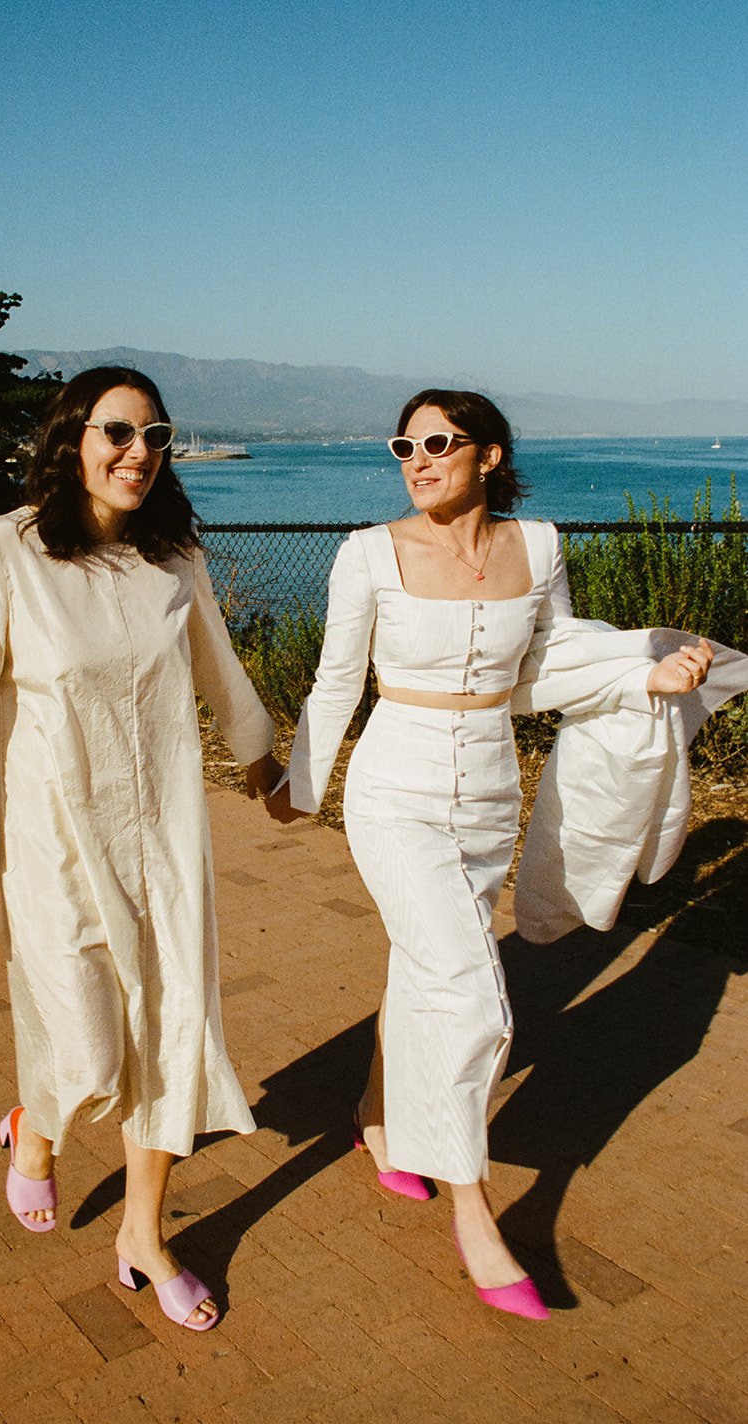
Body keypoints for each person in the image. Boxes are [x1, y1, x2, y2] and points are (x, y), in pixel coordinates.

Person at [266, 388, 715, 1320]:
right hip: (393, 790)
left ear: (490, 456)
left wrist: (641, 672)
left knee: (425, 964)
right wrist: (297, 788)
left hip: (488, 793)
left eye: (439, 442)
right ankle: (478, 1213)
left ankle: (375, 1117)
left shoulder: (539, 547)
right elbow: (336, 679)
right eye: (404, 444)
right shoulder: (367, 553)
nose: (417, 459)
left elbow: (543, 664)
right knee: (468, 991)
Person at [0, 366, 281, 1331]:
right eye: (118, 431)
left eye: (156, 435)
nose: (138, 453)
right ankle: (34, 1129)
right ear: (72, 437)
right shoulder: (5, 550)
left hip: (165, 836)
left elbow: (220, 668)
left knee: (171, 1035)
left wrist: (264, 765)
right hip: (54, 844)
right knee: (82, 1050)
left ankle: (142, 1235)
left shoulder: (174, 560)